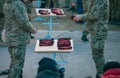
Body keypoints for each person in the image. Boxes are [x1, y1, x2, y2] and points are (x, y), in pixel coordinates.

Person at [73, 0, 109, 77]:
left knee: (98, 54)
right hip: (95, 30)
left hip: (99, 31)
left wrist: (81, 17)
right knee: (96, 55)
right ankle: (100, 73)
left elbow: (94, 15)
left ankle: (101, 74)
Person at [3, 0, 37, 78]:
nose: (29, 1)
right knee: (18, 64)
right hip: (18, 38)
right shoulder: (18, 4)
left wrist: (25, 15)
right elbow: (23, 23)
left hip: (10, 36)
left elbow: (13, 17)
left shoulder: (7, 2)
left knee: (14, 62)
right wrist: (33, 30)